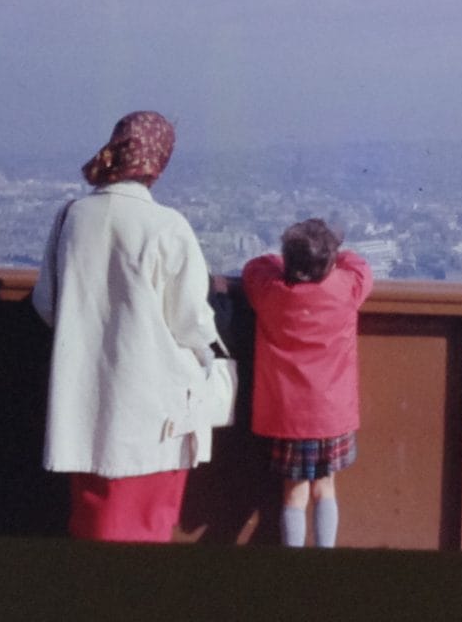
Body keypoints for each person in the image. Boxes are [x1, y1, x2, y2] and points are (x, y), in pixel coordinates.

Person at [32, 110, 227, 543]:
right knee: (148, 528)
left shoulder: (71, 217)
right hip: (155, 413)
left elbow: (47, 302)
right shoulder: (167, 226)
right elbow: (191, 322)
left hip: (84, 406)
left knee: (93, 523)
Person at [242, 218, 374, 547]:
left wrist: (283, 261)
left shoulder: (269, 291)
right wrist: (335, 256)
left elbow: (255, 265)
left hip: (288, 416)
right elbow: (360, 264)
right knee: (325, 486)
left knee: (294, 493)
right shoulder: (346, 287)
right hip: (331, 414)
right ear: (329, 261)